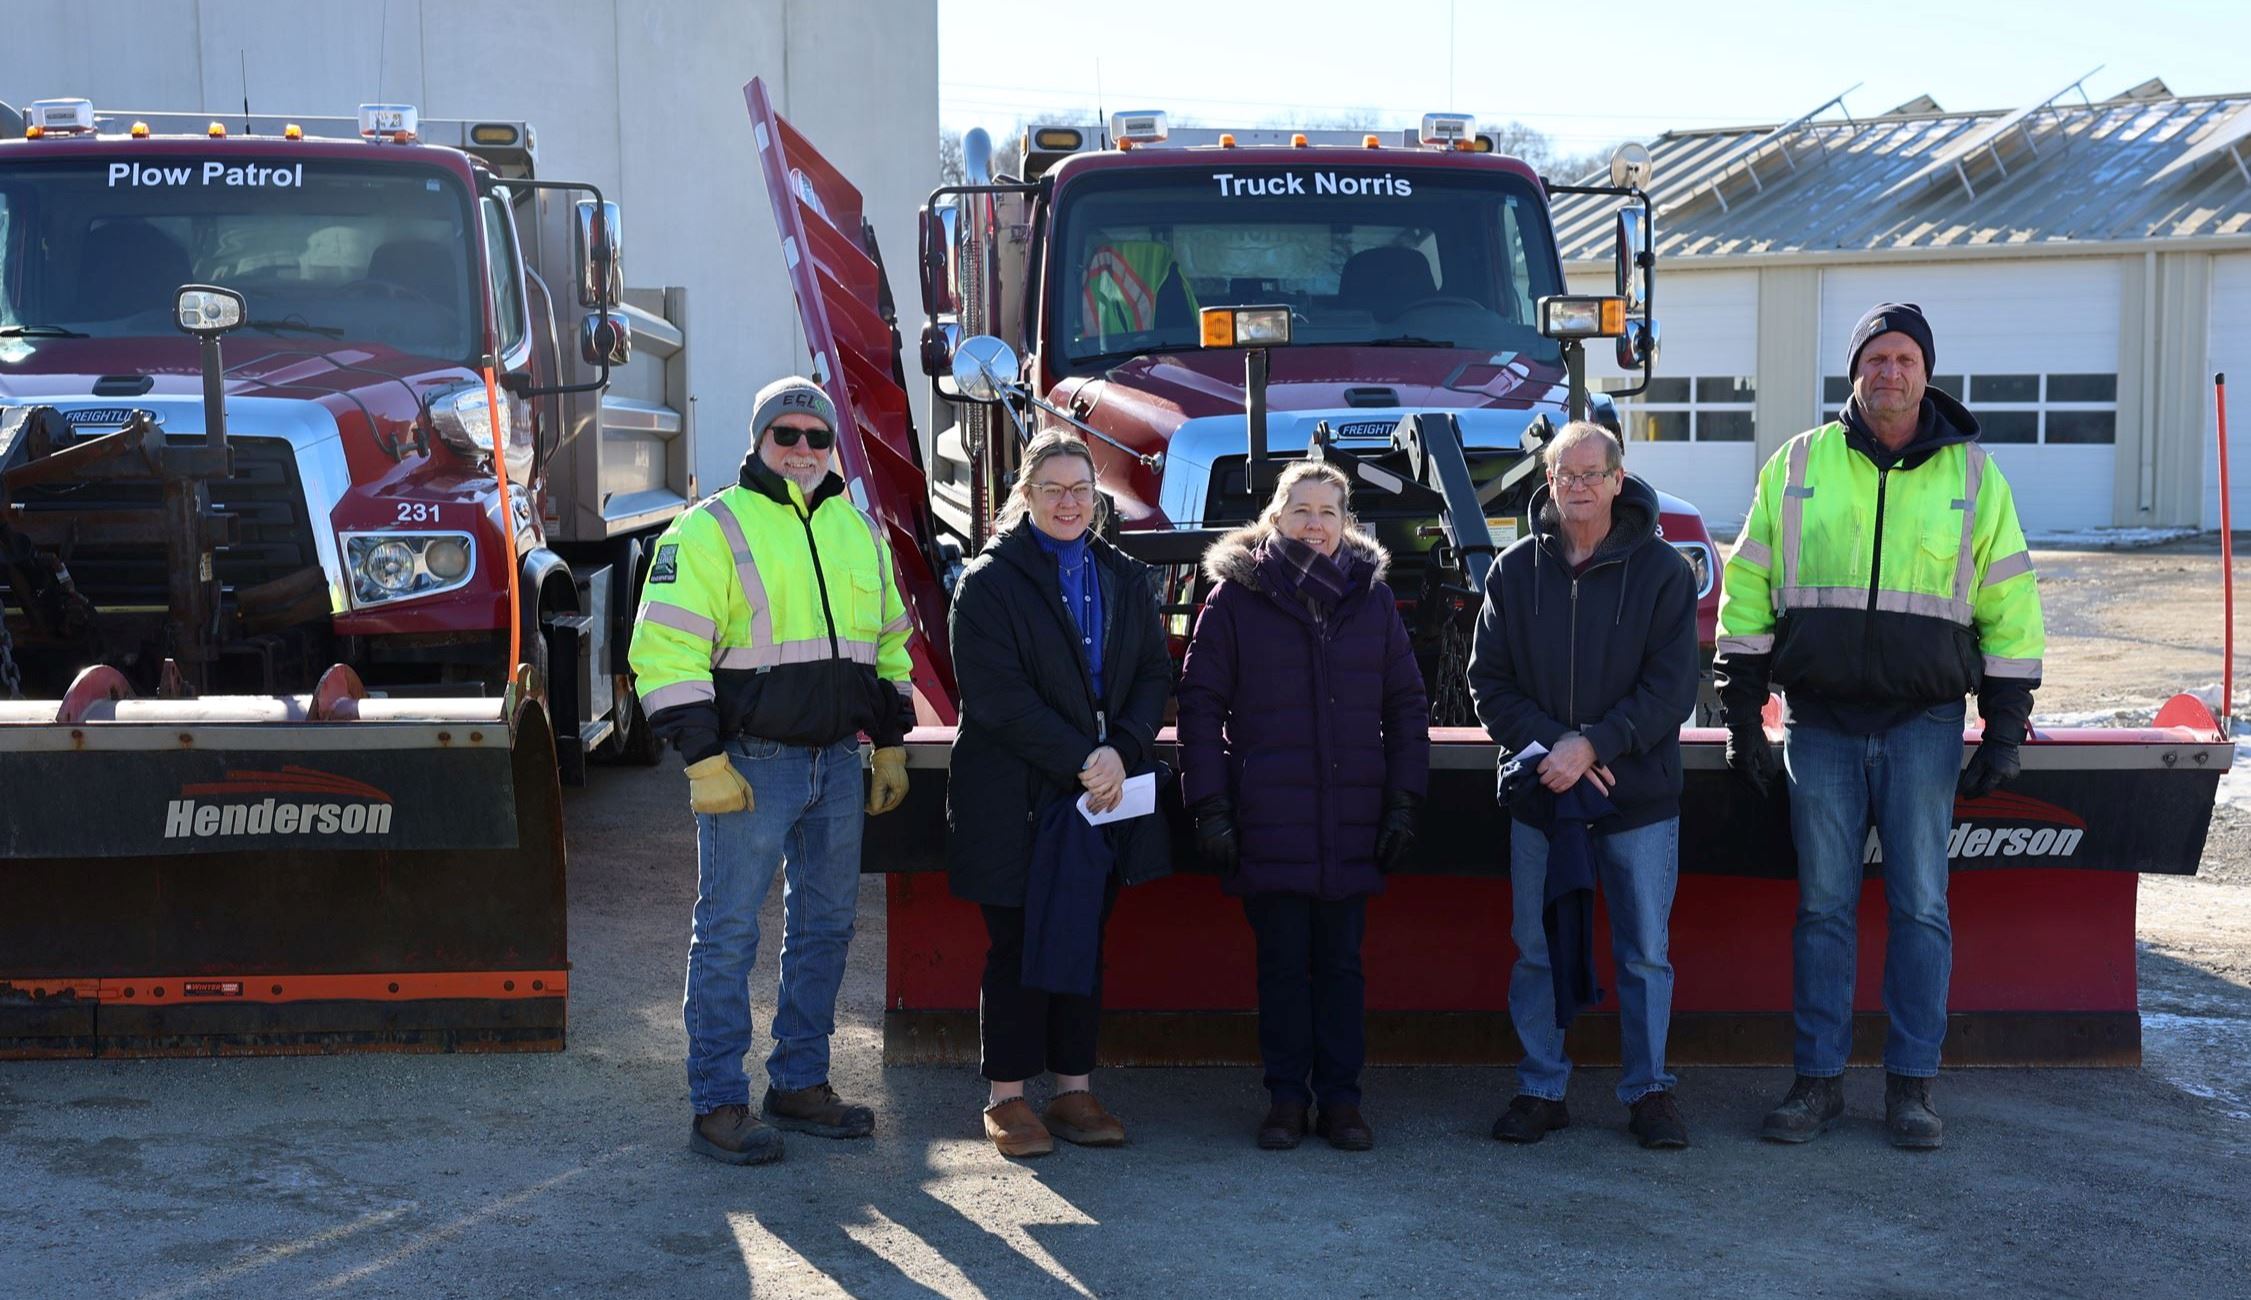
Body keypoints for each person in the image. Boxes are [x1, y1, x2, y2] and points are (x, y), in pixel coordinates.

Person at [1716, 303, 2045, 1150]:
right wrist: (1742, 711)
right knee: (1822, 909)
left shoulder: (1973, 478)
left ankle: (1910, 1089)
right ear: (1854, 371)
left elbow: (2008, 604)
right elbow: (1749, 587)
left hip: (1922, 726)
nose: (1888, 372)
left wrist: (2004, 724)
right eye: (1875, 357)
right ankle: (1817, 1083)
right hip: (1818, 724)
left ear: (1925, 372)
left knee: (1921, 910)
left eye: (1903, 358)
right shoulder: (1796, 465)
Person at [628, 376, 916, 1166]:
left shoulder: (856, 530)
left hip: (836, 762)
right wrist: (702, 759)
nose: (801, 450)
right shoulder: (709, 528)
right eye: (784, 435)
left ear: (832, 447)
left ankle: (798, 1083)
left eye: (816, 438)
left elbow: (888, 646)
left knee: (824, 930)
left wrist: (888, 741)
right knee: (726, 936)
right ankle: (717, 1102)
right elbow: (663, 652)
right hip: (750, 765)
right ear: (757, 441)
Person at [1178, 461, 1429, 1153]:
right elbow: (1200, 707)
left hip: (1351, 818)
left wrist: (1404, 799)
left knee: (1343, 968)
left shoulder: (1369, 600)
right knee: (1283, 967)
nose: (1314, 524)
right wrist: (1210, 808)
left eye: (1327, 511)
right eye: (1301, 511)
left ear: (1344, 523)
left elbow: (1405, 705)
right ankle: (1286, 1100)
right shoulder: (1234, 599)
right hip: (1269, 817)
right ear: (1274, 518)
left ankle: (1342, 1103)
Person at [1466, 421, 1701, 1151]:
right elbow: (1487, 685)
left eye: (1591, 475)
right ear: (1548, 481)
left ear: (1618, 481)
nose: (1578, 486)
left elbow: (1671, 689)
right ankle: (1540, 1087)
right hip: (1542, 795)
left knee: (1643, 952)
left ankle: (1649, 1091)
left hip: (1635, 798)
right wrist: (1553, 753)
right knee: (1534, 948)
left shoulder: (1663, 572)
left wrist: (1594, 744)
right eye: (1565, 474)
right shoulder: (1510, 573)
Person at [945, 432, 1174, 1158]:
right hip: (1013, 793)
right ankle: (1007, 1099)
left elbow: (1150, 677)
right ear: (1026, 495)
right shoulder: (987, 582)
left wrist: (1120, 751)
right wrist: (1087, 757)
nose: (1070, 502)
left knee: (1084, 932)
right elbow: (996, 699)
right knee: (1013, 942)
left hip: (1101, 790)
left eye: (1082, 490)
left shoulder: (1124, 576)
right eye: (1054, 490)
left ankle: (1073, 1089)